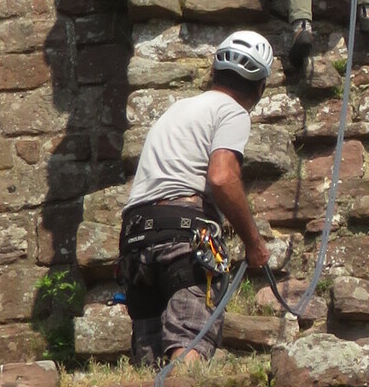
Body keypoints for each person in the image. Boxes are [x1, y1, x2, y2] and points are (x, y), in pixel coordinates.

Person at [117, 31, 280, 363]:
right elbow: (222, 178)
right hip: (182, 236)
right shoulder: (233, 111)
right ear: (260, 87)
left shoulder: (178, 109)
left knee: (149, 363)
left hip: (135, 239)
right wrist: (254, 244)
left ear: (214, 72)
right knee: (189, 343)